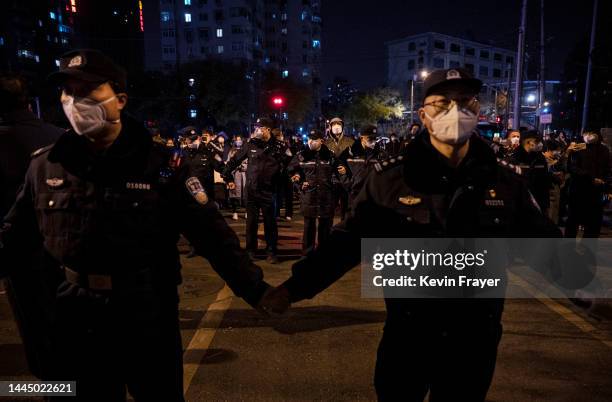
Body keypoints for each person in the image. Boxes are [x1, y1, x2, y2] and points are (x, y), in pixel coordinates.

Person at [260, 68, 561, 402]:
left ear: (477, 110)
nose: (455, 112)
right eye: (443, 103)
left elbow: (546, 248)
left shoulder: (506, 182)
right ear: (423, 114)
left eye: (465, 102)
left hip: (473, 343)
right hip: (408, 338)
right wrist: (293, 289)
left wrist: (582, 278)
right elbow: (346, 243)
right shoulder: (390, 180)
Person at [0, 49, 271, 402]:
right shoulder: (47, 165)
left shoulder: (161, 165)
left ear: (120, 99)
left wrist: (258, 290)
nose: (74, 102)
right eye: (67, 92)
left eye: (88, 91)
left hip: (147, 311)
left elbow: (211, 233)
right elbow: (12, 239)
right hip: (76, 314)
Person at [0, 73, 64, 379]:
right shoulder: (58, 136)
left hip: (19, 253)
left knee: (38, 334)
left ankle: (58, 390)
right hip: (64, 245)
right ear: (27, 101)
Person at [223, 117, 292, 264]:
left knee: (270, 223)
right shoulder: (250, 145)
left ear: (267, 129)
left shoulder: (279, 146)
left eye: (259, 127)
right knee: (251, 223)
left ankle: (271, 252)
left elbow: (290, 165)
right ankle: (250, 251)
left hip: (269, 191)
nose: (256, 130)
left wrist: (283, 181)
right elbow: (234, 161)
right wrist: (228, 178)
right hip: (252, 191)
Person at [288, 129, 342, 254]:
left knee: (325, 227)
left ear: (321, 141)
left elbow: (338, 173)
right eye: (309, 139)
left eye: (314, 140)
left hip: (326, 196)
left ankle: (323, 254)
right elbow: (290, 170)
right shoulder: (302, 155)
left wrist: (335, 189)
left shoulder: (330, 155)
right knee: (309, 227)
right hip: (309, 195)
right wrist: (299, 183)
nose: (310, 142)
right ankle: (307, 253)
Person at [565, 131, 611, 238]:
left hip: (596, 192)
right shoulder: (578, 147)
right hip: (578, 190)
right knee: (573, 221)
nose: (588, 135)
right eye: (586, 133)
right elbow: (572, 167)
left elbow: (608, 169)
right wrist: (590, 178)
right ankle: (567, 249)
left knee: (593, 224)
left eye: (591, 133)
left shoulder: (604, 150)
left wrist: (607, 186)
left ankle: (589, 250)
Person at [338, 124, 384, 209]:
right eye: (370, 139)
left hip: (373, 196)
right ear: (362, 138)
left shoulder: (379, 153)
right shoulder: (350, 151)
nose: (374, 142)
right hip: (355, 195)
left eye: (375, 139)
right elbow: (339, 167)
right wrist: (349, 184)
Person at [508, 130, 552, 214]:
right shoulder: (515, 158)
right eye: (537, 141)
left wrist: (545, 205)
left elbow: (544, 181)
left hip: (538, 202)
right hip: (520, 204)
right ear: (529, 142)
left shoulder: (540, 158)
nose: (540, 144)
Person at [325, 117, 354, 221]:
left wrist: (346, 169)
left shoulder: (350, 142)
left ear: (343, 127)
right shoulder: (326, 143)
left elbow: (355, 162)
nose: (336, 127)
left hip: (346, 181)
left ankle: (344, 231)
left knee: (346, 209)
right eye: (334, 125)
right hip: (331, 181)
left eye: (339, 125)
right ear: (330, 127)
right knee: (329, 210)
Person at [272, 128, 293, 221]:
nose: (282, 137)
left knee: (288, 194)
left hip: (286, 172)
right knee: (277, 194)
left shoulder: (285, 145)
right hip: (276, 173)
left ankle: (288, 213)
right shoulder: (272, 146)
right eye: (280, 135)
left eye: (281, 135)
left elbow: (290, 156)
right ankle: (276, 213)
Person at [227, 135, 247, 221]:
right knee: (234, 193)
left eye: (240, 140)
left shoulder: (246, 150)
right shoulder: (232, 151)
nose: (238, 141)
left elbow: (250, 162)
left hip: (245, 174)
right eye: (237, 140)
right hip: (235, 175)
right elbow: (228, 163)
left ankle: (247, 212)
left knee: (246, 193)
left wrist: (245, 167)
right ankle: (235, 212)